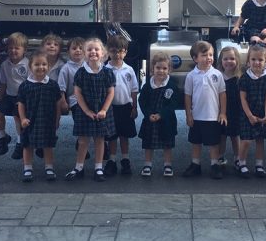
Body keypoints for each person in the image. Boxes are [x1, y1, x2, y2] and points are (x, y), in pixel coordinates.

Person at [65, 37, 115, 182]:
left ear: (103, 53)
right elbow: (77, 93)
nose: (93, 51)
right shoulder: (80, 73)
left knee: (100, 140)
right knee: (82, 141)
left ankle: (98, 168)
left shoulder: (107, 72)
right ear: (85, 53)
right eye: (89, 49)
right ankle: (79, 168)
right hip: (84, 111)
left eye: (96, 49)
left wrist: (104, 110)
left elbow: (111, 92)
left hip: (102, 111)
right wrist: (86, 111)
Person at [183, 40, 227, 179]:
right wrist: (188, 114)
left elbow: (222, 94)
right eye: (204, 55)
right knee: (196, 142)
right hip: (196, 116)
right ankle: (195, 165)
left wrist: (223, 113)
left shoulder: (217, 74)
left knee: (214, 143)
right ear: (195, 58)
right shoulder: (191, 76)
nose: (209, 58)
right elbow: (188, 96)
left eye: (211, 55)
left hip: (213, 116)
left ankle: (215, 165)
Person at [17, 50, 61, 182]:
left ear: (48, 66)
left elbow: (58, 103)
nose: (41, 67)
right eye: (37, 64)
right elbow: (21, 104)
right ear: (30, 67)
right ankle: (27, 168)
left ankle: (49, 167)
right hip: (30, 119)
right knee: (27, 144)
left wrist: (57, 119)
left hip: (47, 120)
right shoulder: (25, 86)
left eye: (44, 64)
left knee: (48, 145)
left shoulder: (53, 85)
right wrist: (23, 118)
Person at [138, 52, 180, 177]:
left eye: (164, 68)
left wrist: (161, 115)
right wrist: (148, 114)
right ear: (152, 68)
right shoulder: (147, 86)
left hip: (166, 120)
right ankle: (147, 164)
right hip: (150, 120)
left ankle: (167, 165)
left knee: (167, 144)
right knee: (148, 143)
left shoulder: (171, 86)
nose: (161, 71)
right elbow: (142, 101)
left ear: (169, 69)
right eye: (158, 68)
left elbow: (173, 104)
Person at [237, 44, 266, 178]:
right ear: (248, 61)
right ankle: (241, 163)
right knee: (246, 140)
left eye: (260, 60)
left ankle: (259, 165)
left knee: (260, 140)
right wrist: (249, 116)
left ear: (265, 62)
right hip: (247, 113)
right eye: (253, 59)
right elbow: (243, 99)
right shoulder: (244, 78)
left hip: (262, 112)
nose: (256, 62)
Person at [104, 35, 139, 176]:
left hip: (126, 107)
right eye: (113, 51)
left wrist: (135, 107)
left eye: (120, 51)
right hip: (110, 108)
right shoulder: (105, 69)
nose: (117, 54)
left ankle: (125, 159)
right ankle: (111, 161)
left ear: (125, 52)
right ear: (108, 51)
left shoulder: (129, 70)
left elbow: (134, 90)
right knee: (112, 136)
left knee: (124, 135)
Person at [0, 32, 29, 159]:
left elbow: (31, 83)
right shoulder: (5, 64)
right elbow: (2, 85)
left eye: (16, 48)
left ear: (24, 50)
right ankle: (2, 137)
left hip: (22, 98)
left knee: (17, 116)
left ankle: (20, 142)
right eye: (10, 48)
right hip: (9, 96)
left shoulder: (28, 64)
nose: (13, 51)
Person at [58, 37, 91, 160]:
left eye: (81, 48)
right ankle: (81, 143)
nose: (78, 50)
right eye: (74, 48)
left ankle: (102, 144)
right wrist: (63, 102)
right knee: (81, 121)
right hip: (75, 100)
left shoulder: (90, 65)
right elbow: (61, 88)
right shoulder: (66, 68)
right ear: (68, 52)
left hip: (91, 100)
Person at [217, 46, 242, 169]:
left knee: (234, 135)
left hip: (235, 111)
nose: (228, 61)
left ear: (237, 60)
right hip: (221, 111)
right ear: (221, 61)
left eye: (232, 58)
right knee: (221, 135)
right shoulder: (217, 77)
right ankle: (220, 157)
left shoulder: (240, 78)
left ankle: (238, 158)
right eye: (225, 59)